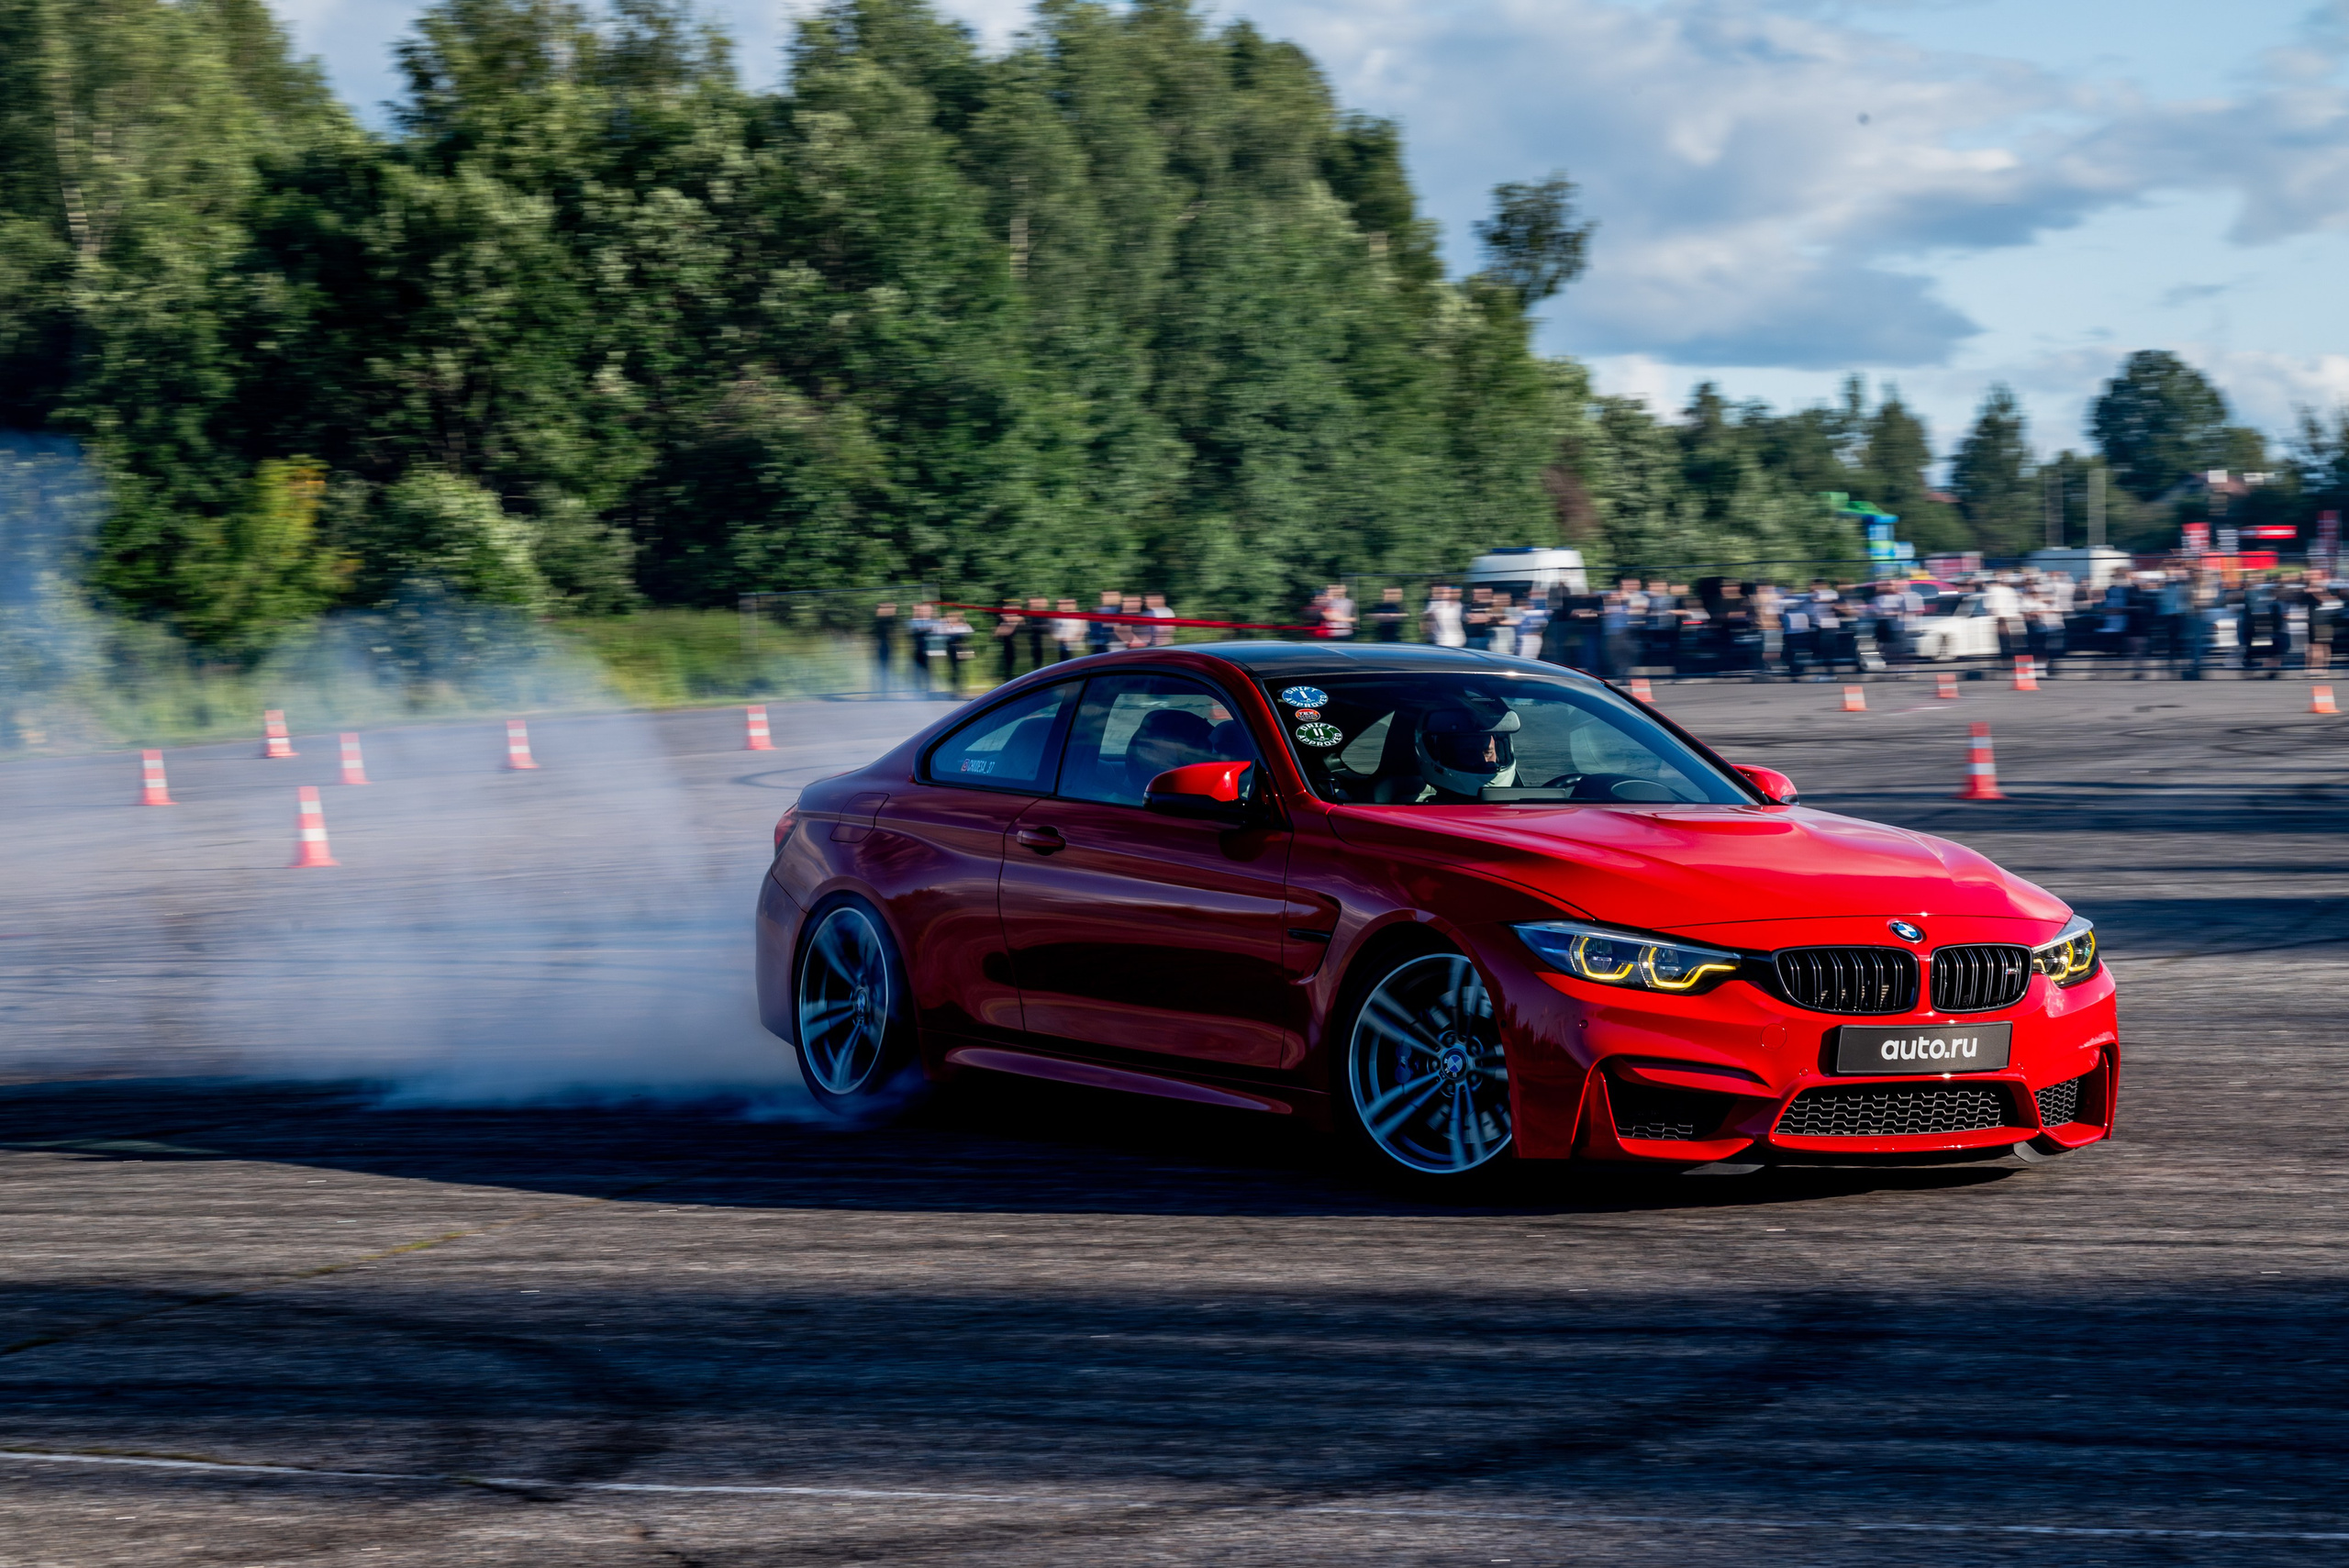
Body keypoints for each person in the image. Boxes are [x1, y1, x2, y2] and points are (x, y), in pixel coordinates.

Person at [1424, 584, 1465, 648]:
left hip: (1458, 641)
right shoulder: (1434, 604)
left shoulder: (1457, 604)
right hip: (1442, 642)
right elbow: (1428, 618)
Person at [871, 601, 898, 694]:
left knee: (888, 669)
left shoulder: (889, 622)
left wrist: (891, 607)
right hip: (881, 647)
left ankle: (886, 689)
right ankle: (883, 689)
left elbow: (893, 616)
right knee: (881, 669)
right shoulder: (879, 622)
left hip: (887, 647)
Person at [994, 601, 1024, 682]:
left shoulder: (1020, 620)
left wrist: (1010, 622)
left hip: (1020, 650)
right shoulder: (1003, 623)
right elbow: (996, 633)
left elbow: (1009, 631)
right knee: (1009, 668)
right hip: (1008, 649)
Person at [1088, 591, 1121, 656]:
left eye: (1110, 596)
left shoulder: (1120, 610)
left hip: (1115, 643)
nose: (1105, 598)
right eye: (1104, 596)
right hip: (1099, 643)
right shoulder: (1097, 610)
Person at [1052, 598, 1085, 662]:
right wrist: (1059, 639)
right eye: (1058, 604)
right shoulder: (1056, 616)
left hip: (1076, 647)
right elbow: (1053, 631)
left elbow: (1082, 632)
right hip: (1062, 646)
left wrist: (1070, 639)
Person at [1025, 597, 1052, 670]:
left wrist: (1034, 627)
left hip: (1043, 642)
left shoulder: (1044, 614)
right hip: (1034, 642)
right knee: (1036, 660)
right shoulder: (1029, 615)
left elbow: (1047, 627)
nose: (1030, 605)